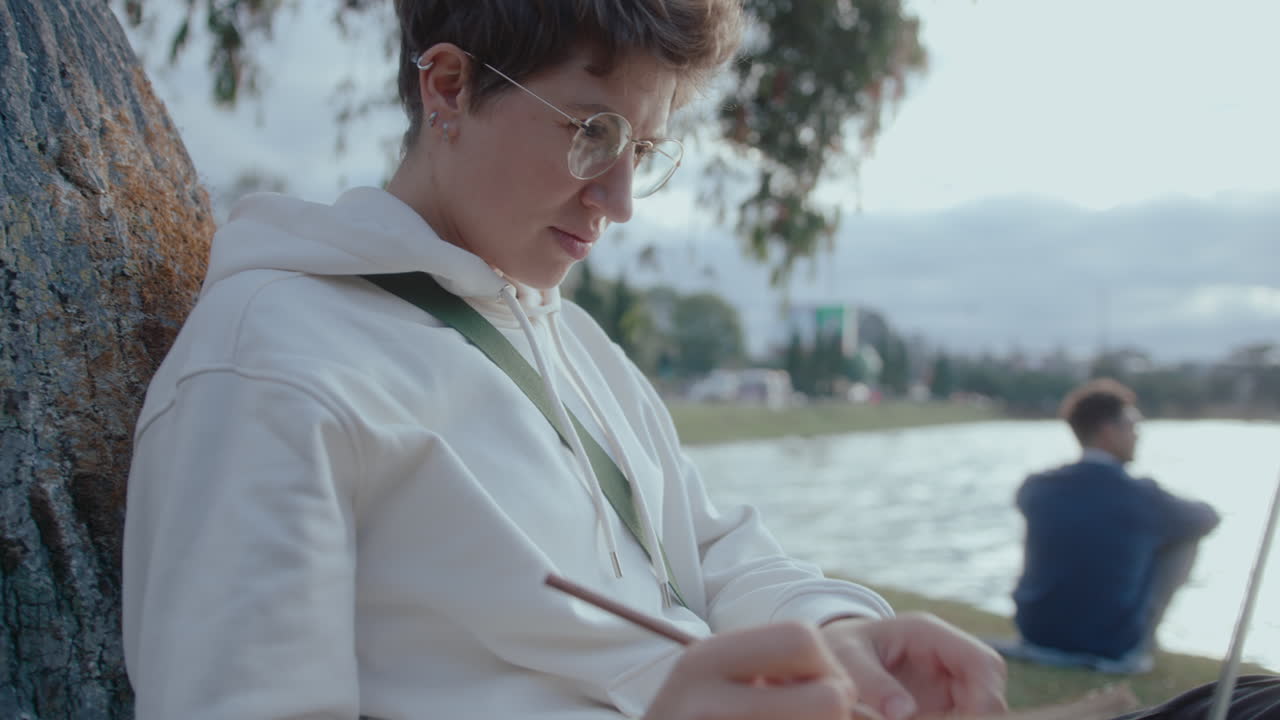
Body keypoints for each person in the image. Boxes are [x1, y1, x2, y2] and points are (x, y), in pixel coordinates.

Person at [121, 2, 1008, 719]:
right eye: (593, 132)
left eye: (645, 152)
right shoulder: (266, 367)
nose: (619, 201)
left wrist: (838, 633)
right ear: (449, 86)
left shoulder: (575, 342)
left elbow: (711, 551)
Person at [1008, 378, 1221, 672]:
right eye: (1132, 425)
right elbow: (1208, 518)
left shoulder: (1036, 487)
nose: (1138, 434)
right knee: (1185, 535)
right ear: (1108, 431)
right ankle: (1143, 644)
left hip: (1036, 635)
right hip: (1109, 647)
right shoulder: (1142, 496)